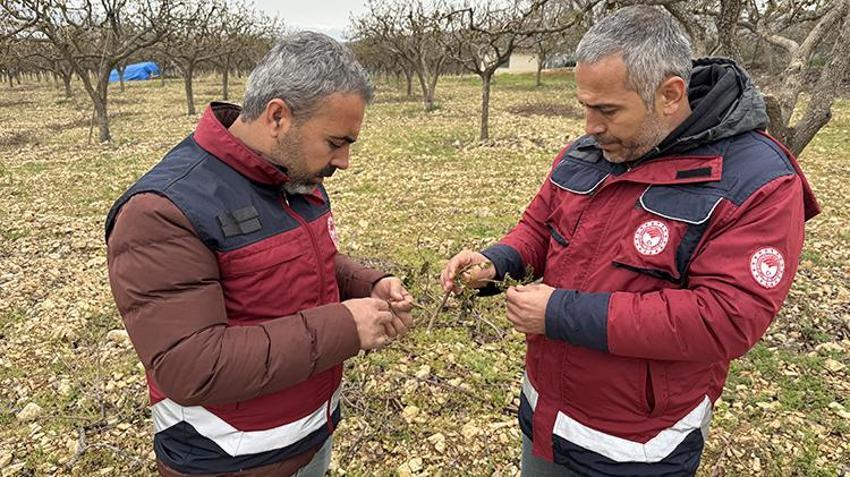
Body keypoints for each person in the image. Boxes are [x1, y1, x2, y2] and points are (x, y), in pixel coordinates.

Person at [441, 6, 819, 476]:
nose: (589, 126)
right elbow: (539, 229)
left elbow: (727, 317)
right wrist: (497, 264)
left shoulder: (756, 180)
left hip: (640, 446)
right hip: (547, 418)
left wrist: (558, 312)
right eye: (584, 106)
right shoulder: (590, 151)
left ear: (669, 94)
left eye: (606, 110)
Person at [105, 32, 414, 477]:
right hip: (227, 460)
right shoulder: (163, 210)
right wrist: (346, 325)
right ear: (277, 116)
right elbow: (193, 366)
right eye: (335, 142)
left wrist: (367, 283)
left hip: (309, 437)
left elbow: (301, 260)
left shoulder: (293, 175)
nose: (344, 161)